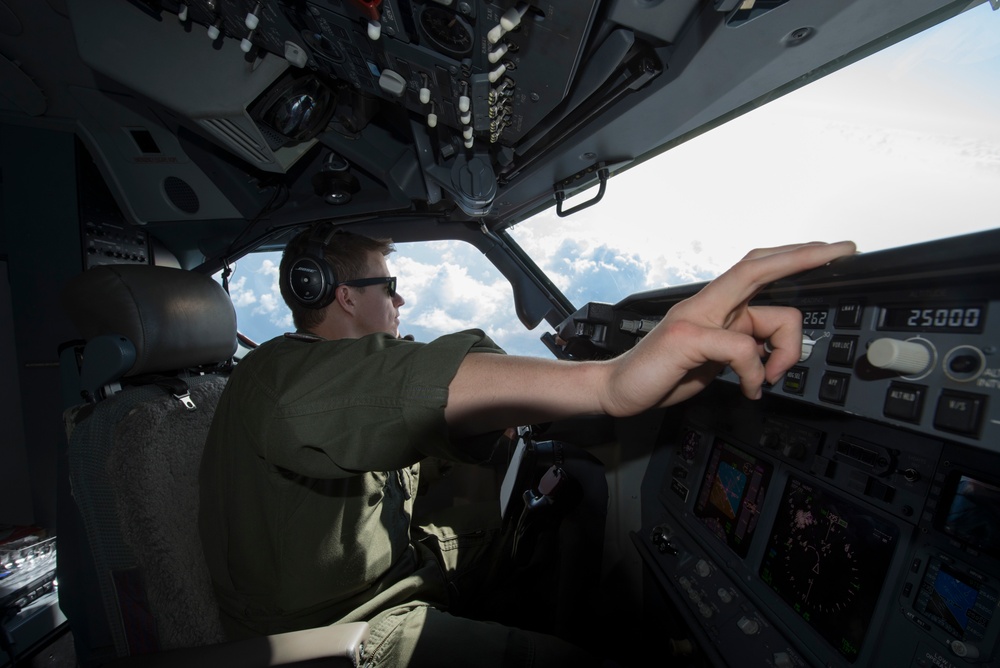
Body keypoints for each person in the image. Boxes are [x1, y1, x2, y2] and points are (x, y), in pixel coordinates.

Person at [198, 224, 856, 667]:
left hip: (395, 577)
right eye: (386, 287)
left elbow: (403, 415)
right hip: (333, 633)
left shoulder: (321, 379)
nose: (398, 301)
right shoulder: (281, 378)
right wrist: (606, 383)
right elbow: (396, 387)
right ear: (345, 295)